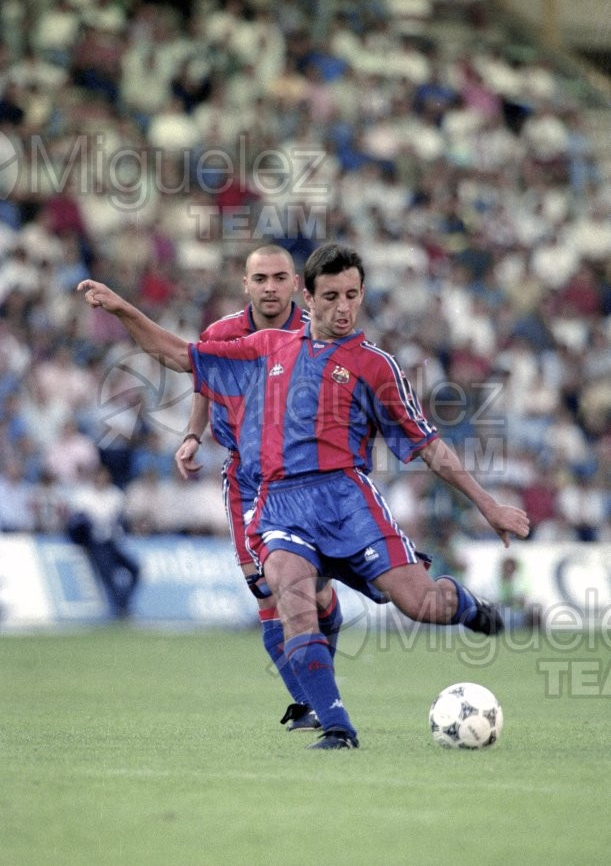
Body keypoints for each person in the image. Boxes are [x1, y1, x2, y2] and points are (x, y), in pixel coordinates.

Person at [78, 242, 530, 750]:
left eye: (353, 295)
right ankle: (336, 726)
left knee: (420, 604)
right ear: (309, 298)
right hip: (278, 503)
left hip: (347, 500)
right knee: (291, 600)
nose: (344, 307)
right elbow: (178, 355)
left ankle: (463, 605)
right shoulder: (269, 346)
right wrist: (122, 310)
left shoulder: (375, 366)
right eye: (332, 295)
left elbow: (427, 443)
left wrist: (488, 504)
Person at [177, 244, 344, 732]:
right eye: (260, 278)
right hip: (248, 481)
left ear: (296, 284)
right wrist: (191, 435)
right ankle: (312, 702)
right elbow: (204, 386)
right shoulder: (219, 334)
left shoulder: (318, 330)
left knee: (315, 592)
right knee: (266, 590)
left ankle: (319, 682)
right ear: (245, 284)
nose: (269, 287)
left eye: (279, 277)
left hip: (306, 478)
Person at [66, 465, 141, 620]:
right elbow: (78, 522)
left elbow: (121, 520)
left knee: (135, 569)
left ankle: (123, 604)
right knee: (108, 575)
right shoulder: (83, 496)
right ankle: (120, 609)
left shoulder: (115, 495)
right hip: (95, 543)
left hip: (112, 542)